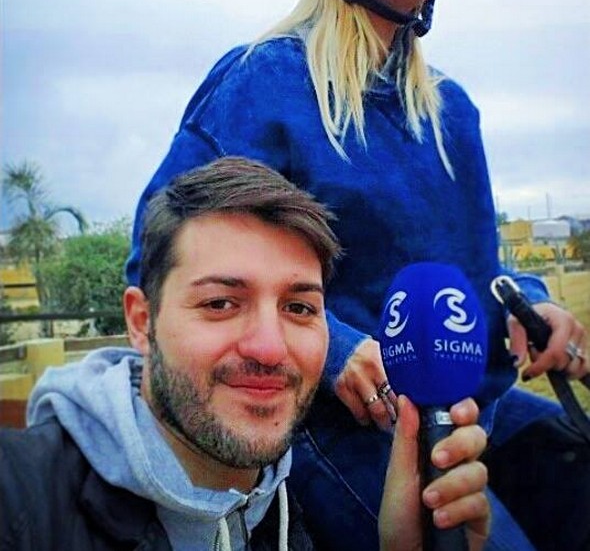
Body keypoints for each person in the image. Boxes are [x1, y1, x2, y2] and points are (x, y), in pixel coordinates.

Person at [125, 0, 590, 549]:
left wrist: (530, 305)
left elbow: (477, 271)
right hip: (346, 428)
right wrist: (335, 346)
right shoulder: (264, 84)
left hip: (479, 405)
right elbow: (159, 261)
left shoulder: (451, 111)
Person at [0, 157, 490, 551]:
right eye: (220, 304)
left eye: (299, 308)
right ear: (141, 322)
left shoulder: (283, 513)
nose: (269, 348)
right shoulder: (20, 500)